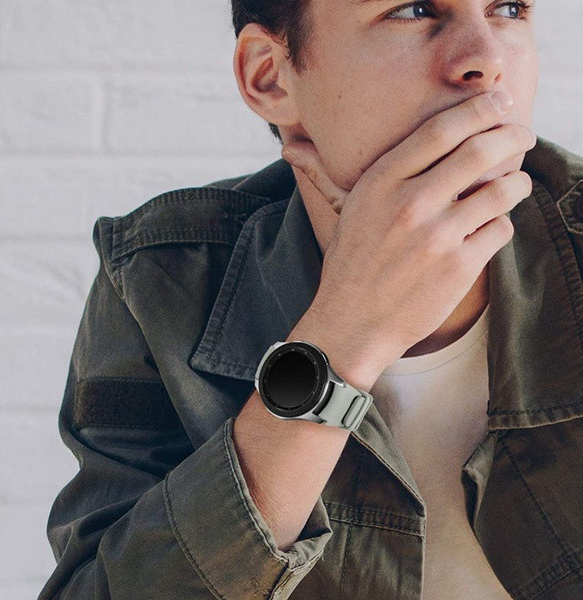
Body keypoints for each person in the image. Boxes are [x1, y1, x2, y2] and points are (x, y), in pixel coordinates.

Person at [39, 1, 583, 598]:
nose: (486, 59)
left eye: (510, 8)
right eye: (413, 10)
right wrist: (342, 335)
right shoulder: (160, 279)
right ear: (270, 77)